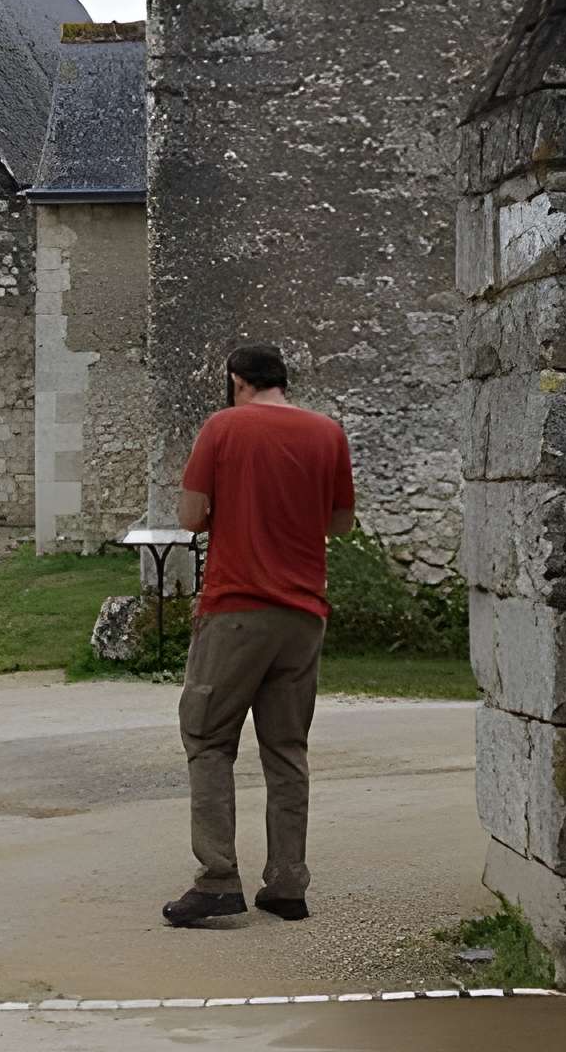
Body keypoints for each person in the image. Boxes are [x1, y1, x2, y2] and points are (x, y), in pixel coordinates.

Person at [162, 342, 355, 927]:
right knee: (286, 748)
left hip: (237, 606)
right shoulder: (328, 434)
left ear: (236, 380)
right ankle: (287, 883)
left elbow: (191, 516)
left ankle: (219, 877)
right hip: (303, 614)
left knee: (209, 737)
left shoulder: (222, 428)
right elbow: (340, 522)